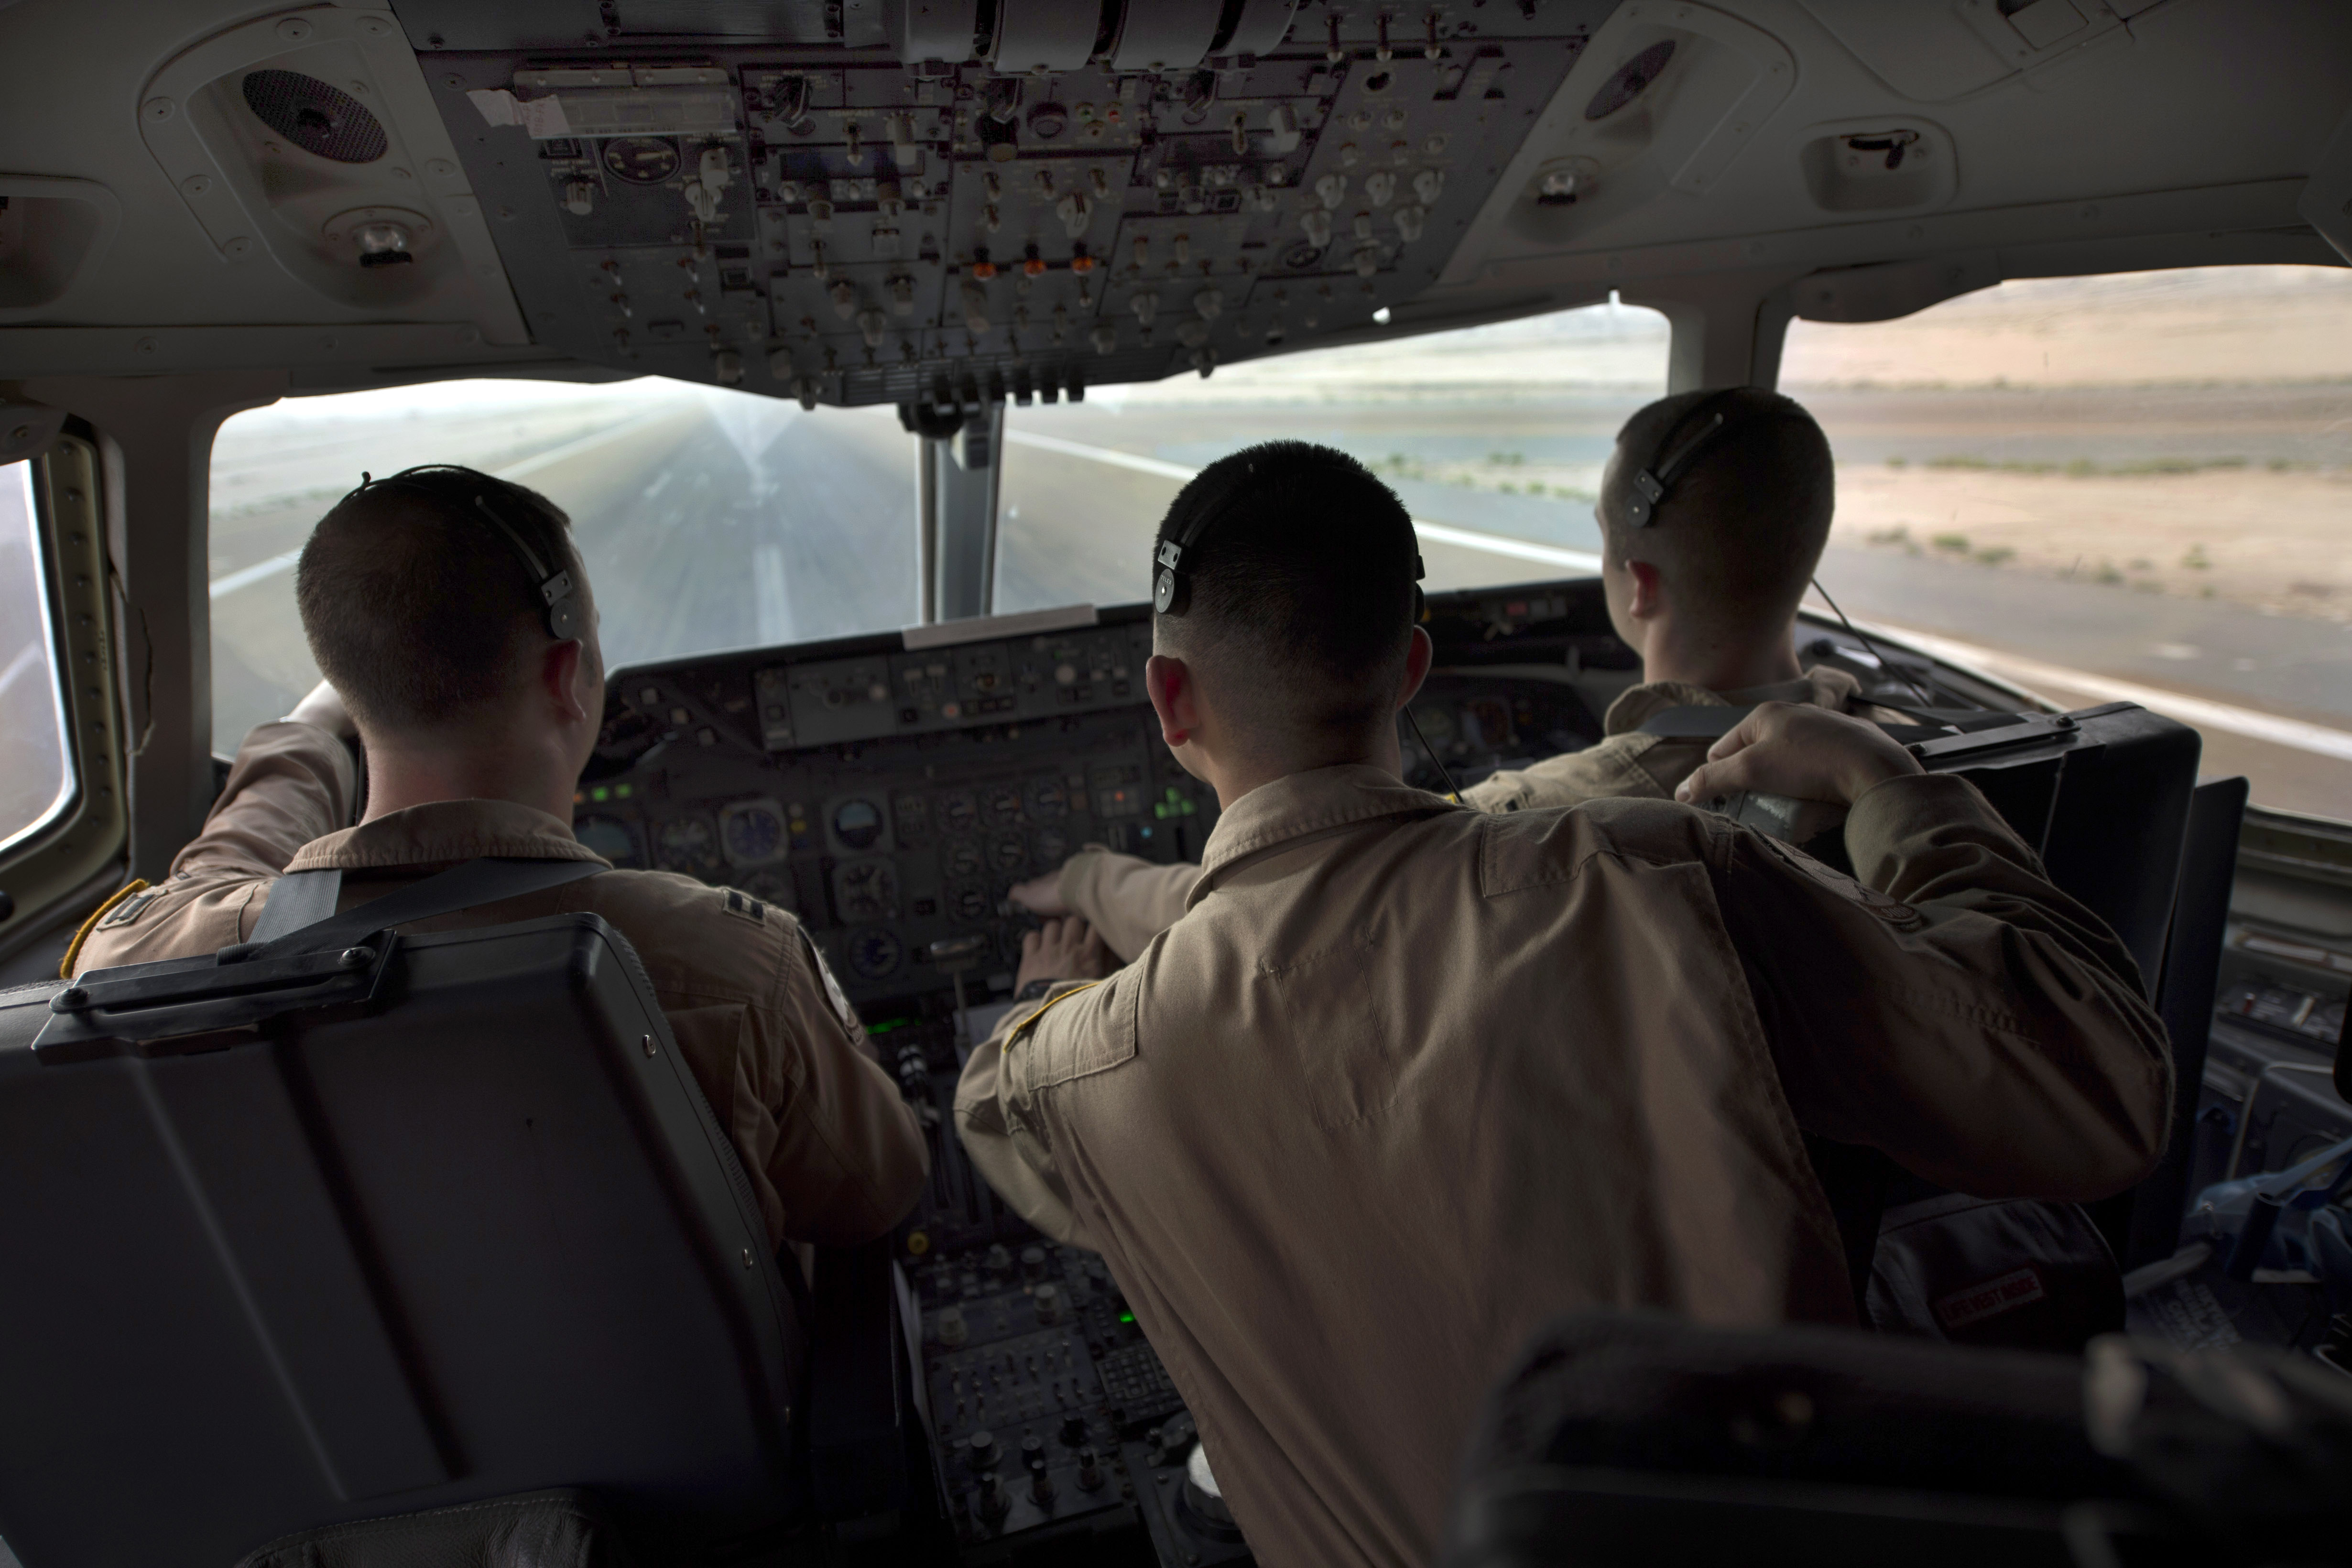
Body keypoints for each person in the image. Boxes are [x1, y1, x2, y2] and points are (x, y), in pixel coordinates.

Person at [956, 441, 2170, 1568]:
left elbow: (1006, 1098)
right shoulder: (1661, 870)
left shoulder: (1071, 1073)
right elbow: (2105, 1090)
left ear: (1173, 702)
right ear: (1415, 666)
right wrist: (1888, 782)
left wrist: (1055, 986)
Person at [68, 466, 925, 1253]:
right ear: (567, 677)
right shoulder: (727, 962)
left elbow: (215, 876)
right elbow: (878, 1196)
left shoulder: (152, 965)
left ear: (355, 686)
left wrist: (309, 730)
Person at [1011, 387, 1892, 962]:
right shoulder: (1876, 739)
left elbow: (1291, 905)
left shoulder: (1564, 826)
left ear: (1641, 586)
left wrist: (1092, 879)